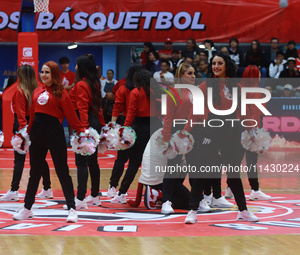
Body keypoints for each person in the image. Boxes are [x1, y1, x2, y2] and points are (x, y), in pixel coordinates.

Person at [183, 52, 260, 224]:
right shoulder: (205, 85)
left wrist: (252, 131)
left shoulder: (237, 86)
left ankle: (243, 211)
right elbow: (194, 111)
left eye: (219, 63)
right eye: (213, 63)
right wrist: (186, 131)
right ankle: (192, 211)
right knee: (202, 171)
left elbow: (244, 112)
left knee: (233, 173)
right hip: (211, 131)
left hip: (233, 132)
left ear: (227, 65)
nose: (215, 66)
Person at [12, 61, 83, 223]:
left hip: (55, 133)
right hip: (37, 134)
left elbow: (71, 117)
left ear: (54, 74)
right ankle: (27, 208)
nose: (43, 75)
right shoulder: (36, 91)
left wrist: (81, 133)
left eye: (47, 72)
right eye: (42, 72)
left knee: (62, 171)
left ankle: (72, 209)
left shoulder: (61, 93)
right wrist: (26, 134)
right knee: (34, 172)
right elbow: (32, 115)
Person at [160, 62, 210, 214]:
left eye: (194, 73)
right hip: (177, 131)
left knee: (195, 167)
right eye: (189, 73)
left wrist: (204, 132)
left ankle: (198, 200)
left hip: (195, 132)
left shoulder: (197, 92)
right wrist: (167, 137)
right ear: (181, 75)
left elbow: (201, 114)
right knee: (172, 167)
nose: (193, 76)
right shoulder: (172, 93)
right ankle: (166, 201)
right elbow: (168, 117)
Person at [0, 65, 52, 202]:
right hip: (36, 125)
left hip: (23, 126)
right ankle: (47, 188)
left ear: (21, 75)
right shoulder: (38, 90)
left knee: (19, 159)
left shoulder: (20, 91)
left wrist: (22, 131)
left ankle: (13, 190)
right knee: (40, 158)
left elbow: (21, 114)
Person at [111, 69, 162, 203]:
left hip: (140, 128)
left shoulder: (136, 92)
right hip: (156, 127)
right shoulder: (157, 91)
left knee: (134, 163)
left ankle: (122, 193)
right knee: (155, 163)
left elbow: (131, 112)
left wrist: (125, 129)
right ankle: (157, 194)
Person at [225, 65, 271, 201]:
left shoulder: (238, 89)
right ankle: (255, 189)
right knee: (251, 161)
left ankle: (229, 188)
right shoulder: (256, 92)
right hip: (250, 129)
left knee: (235, 161)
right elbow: (256, 115)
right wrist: (254, 132)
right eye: (258, 74)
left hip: (237, 128)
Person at [70, 54, 105, 209]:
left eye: (77, 65)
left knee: (81, 162)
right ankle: (95, 195)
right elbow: (98, 108)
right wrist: (102, 126)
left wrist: (84, 131)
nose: (75, 67)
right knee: (92, 161)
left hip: (85, 124)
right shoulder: (95, 83)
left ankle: (80, 198)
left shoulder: (81, 85)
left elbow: (83, 108)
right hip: (94, 123)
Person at [107, 65, 144, 197]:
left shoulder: (123, 89)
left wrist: (113, 123)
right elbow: (117, 106)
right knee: (134, 161)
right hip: (137, 124)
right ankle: (121, 191)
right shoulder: (140, 90)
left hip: (126, 124)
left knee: (121, 159)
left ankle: (113, 187)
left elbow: (116, 107)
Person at [59, 56, 76, 143]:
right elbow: (58, 87)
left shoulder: (73, 74)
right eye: (63, 64)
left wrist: (65, 87)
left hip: (70, 100)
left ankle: (71, 137)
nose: (65, 65)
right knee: (59, 119)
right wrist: (69, 87)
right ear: (60, 65)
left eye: (66, 63)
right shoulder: (58, 74)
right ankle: (60, 137)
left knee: (70, 120)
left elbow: (74, 87)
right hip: (60, 100)